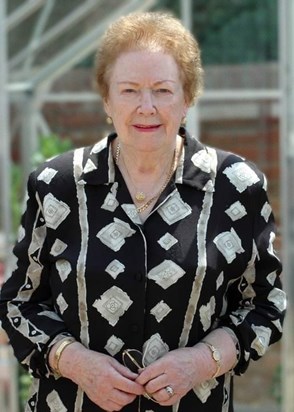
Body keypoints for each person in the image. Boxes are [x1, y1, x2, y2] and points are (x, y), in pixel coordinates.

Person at [0, 11, 286, 412]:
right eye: (130, 90)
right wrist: (79, 366)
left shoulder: (237, 187)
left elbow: (265, 304)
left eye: (163, 91)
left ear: (187, 98)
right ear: (106, 100)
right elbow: (18, 302)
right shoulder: (57, 185)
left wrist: (201, 362)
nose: (146, 107)